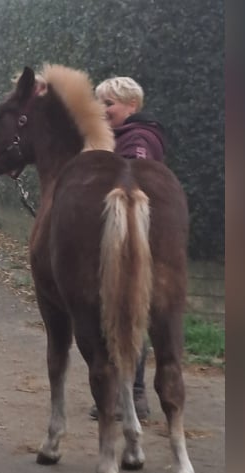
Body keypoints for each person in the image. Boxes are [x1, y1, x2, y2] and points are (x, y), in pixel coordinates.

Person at [90, 76, 166, 422]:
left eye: (110, 104)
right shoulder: (110, 139)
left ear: (132, 106)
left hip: (136, 241)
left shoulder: (139, 141)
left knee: (133, 314)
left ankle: (135, 393)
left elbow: (132, 179)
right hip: (112, 237)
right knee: (110, 317)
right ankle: (114, 391)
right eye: (100, 104)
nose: (103, 111)